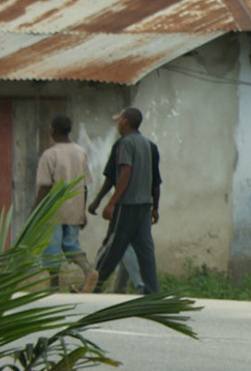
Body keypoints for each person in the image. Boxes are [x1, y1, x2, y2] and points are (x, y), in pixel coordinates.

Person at [92, 106, 160, 296]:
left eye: (120, 120)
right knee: (145, 249)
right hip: (144, 206)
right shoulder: (149, 146)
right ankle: (151, 290)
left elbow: (124, 173)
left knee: (112, 245)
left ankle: (93, 283)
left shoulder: (124, 144)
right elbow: (156, 181)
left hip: (127, 204)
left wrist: (111, 202)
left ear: (126, 122)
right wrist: (155, 207)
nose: (118, 124)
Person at [34, 114, 96, 290]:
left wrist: (35, 211)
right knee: (71, 244)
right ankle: (88, 270)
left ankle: (54, 285)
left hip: (53, 210)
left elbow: (45, 186)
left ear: (52, 130)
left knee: (52, 247)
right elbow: (84, 185)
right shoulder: (80, 152)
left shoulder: (50, 154)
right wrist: (82, 211)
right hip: (74, 207)